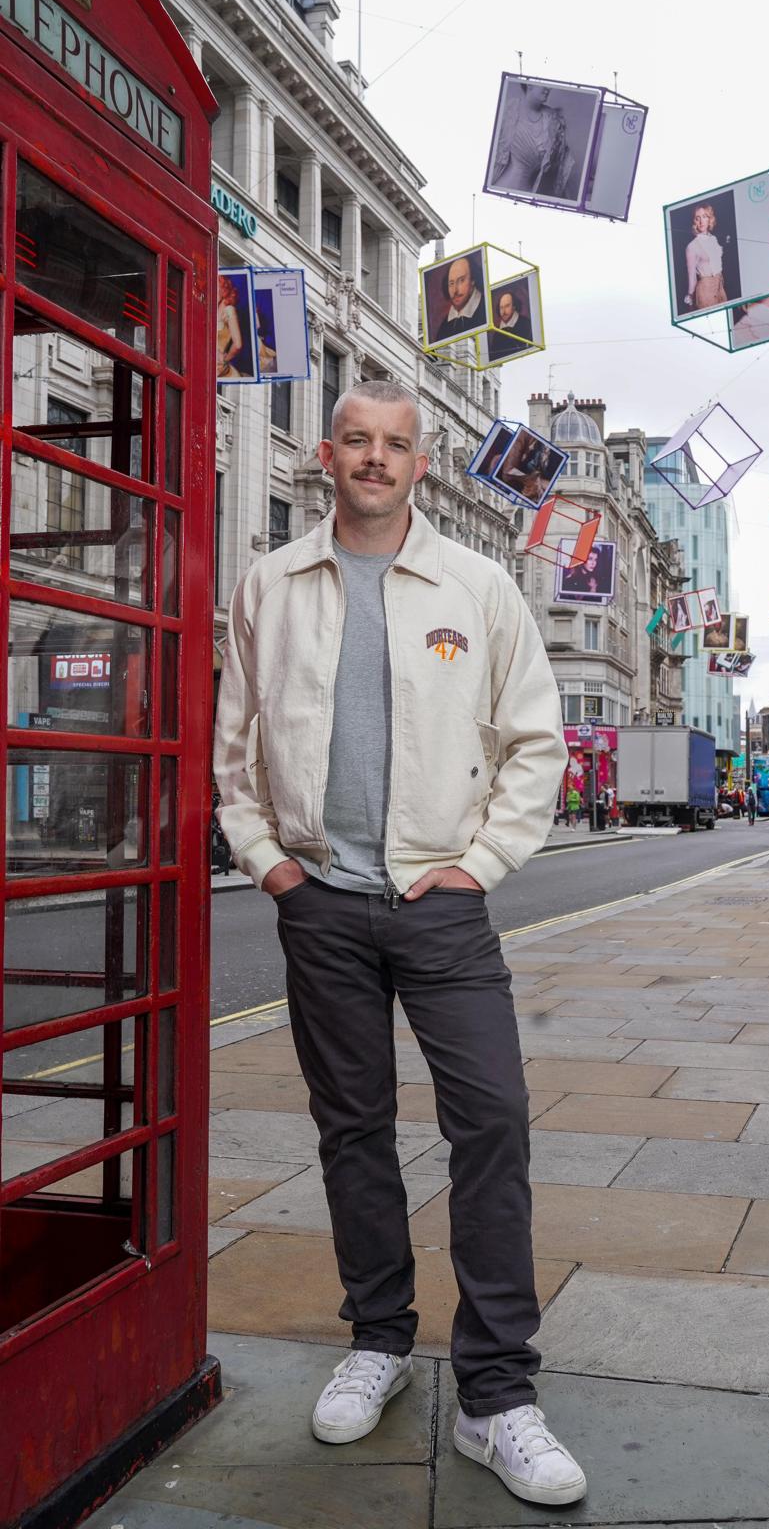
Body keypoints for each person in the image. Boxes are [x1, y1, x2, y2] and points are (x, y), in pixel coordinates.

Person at [214, 381, 585, 1507]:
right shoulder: (270, 583)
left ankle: (495, 1393)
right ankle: (377, 1337)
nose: (375, 459)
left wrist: (475, 867)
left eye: (396, 444)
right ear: (328, 454)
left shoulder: (476, 587)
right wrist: (267, 859)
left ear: (422, 463)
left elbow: (536, 743)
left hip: (443, 905)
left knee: (493, 1119)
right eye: (358, 441)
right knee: (351, 1128)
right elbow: (233, 745)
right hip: (320, 901)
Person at [490, 81, 577, 201]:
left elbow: (560, 166)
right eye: (543, 84)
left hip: (529, 193)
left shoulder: (552, 120)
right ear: (529, 84)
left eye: (549, 84)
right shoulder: (510, 110)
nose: (549, 88)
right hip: (504, 188)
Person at [434, 253, 486, 342]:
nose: (455, 291)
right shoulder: (444, 326)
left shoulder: (486, 310)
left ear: (473, 280)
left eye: (461, 280)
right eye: (451, 283)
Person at [487, 288, 533, 363]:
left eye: (507, 306)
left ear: (514, 306)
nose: (503, 311)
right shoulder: (496, 332)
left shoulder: (526, 324)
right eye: (501, 307)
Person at [217, 274, 245, 379]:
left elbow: (238, 345)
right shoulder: (214, 309)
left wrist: (225, 359)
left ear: (223, 290)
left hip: (219, 367)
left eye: (216, 288)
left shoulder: (229, 310)